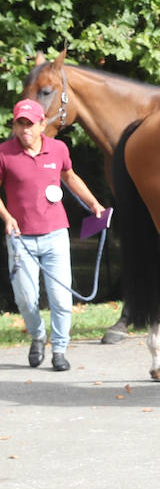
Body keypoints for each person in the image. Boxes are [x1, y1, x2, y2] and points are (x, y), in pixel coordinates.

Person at [0, 99, 107, 371]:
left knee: (61, 298)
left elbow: (70, 177)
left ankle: (59, 349)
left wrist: (94, 203)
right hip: (20, 238)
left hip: (56, 235)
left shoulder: (58, 148)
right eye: (19, 124)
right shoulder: (4, 153)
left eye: (29, 124)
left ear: (41, 124)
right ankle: (37, 336)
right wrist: (7, 217)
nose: (24, 130)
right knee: (25, 299)